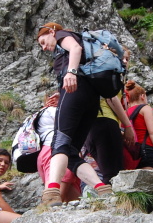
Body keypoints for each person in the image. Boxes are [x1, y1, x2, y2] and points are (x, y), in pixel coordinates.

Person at [36, 22, 116, 206]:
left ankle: (52, 192)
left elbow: (75, 48)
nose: (44, 47)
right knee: (71, 152)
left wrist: (71, 73)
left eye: (43, 41)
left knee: (59, 142)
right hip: (91, 99)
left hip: (75, 90)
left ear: (51, 32)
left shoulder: (61, 35)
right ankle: (102, 188)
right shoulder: (80, 41)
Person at [36, 92, 81, 202]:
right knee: (55, 196)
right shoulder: (55, 111)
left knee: (70, 196)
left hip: (45, 152)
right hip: (58, 151)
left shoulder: (40, 114)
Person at [84, 94, 135, 183]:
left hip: (88, 128)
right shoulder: (108, 83)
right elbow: (111, 98)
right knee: (114, 175)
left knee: (107, 173)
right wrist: (127, 125)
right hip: (105, 121)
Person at [124, 80, 153, 169]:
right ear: (142, 96)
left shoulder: (124, 113)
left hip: (131, 153)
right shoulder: (145, 108)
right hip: (146, 149)